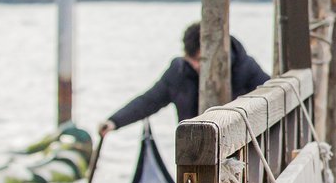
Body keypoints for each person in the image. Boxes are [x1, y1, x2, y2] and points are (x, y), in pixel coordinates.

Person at [98, 22, 270, 136]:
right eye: (192, 60)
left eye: (200, 60)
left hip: (239, 146)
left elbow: (269, 97)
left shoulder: (245, 67)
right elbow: (149, 100)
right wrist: (115, 121)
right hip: (193, 149)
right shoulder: (179, 71)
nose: (196, 66)